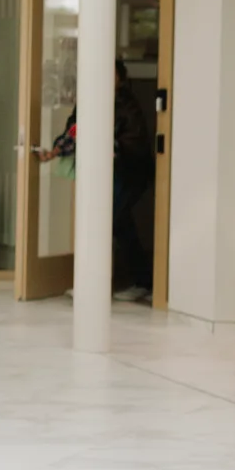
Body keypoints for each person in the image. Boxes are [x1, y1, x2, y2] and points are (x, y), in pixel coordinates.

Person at [39, 59, 159, 301]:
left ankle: (99, 282)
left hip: (128, 173)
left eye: (111, 74)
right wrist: (55, 150)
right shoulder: (88, 101)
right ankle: (140, 281)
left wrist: (106, 145)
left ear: (120, 78)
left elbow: (133, 144)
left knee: (105, 220)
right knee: (116, 222)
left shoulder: (127, 105)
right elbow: (74, 131)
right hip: (102, 173)